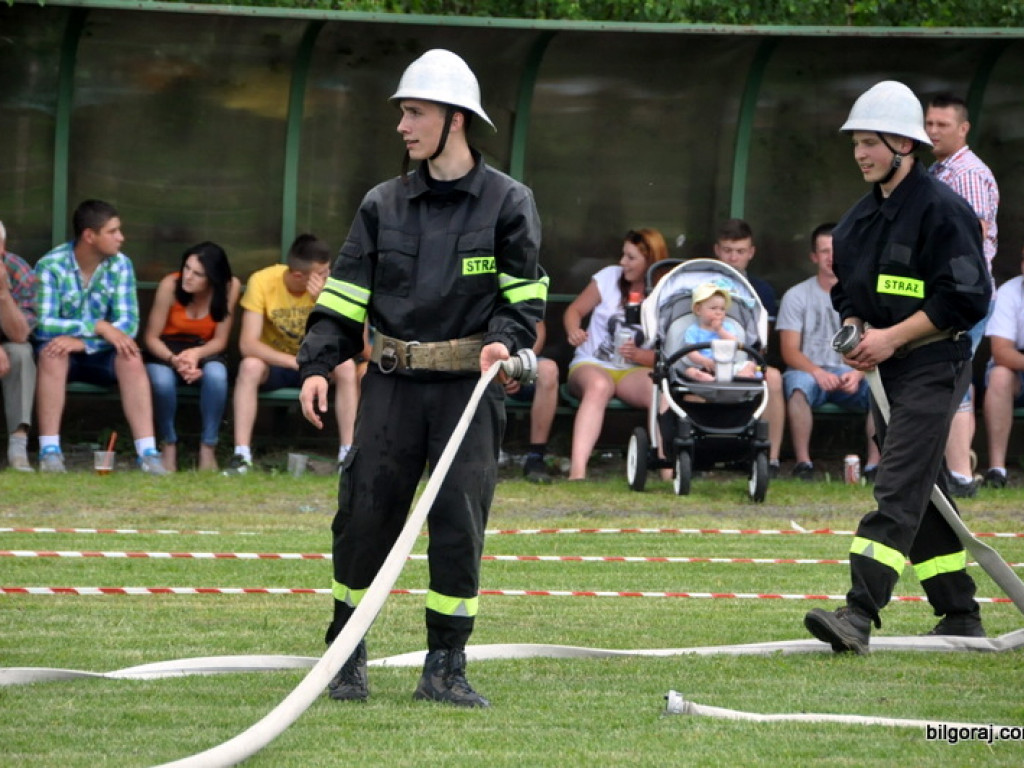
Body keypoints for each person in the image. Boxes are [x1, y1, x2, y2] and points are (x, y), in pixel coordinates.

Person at [297, 49, 544, 707]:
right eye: (403, 113)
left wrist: (504, 341)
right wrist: (318, 364)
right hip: (391, 386)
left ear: (455, 119)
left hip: (468, 391)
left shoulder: (509, 202)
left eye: (415, 113)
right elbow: (345, 297)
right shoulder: (382, 204)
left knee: (459, 525)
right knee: (363, 518)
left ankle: (445, 667)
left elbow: (524, 301)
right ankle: (345, 657)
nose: (403, 126)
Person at [803, 81, 991, 654]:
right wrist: (856, 329)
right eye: (856, 143)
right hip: (887, 372)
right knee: (925, 493)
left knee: (899, 482)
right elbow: (847, 293)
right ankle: (959, 613)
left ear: (903, 145)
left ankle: (858, 613)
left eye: (869, 143)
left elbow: (966, 300)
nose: (860, 154)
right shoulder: (857, 222)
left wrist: (890, 338)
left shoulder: (945, 212)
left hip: (935, 363)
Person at [33, 199, 168, 475]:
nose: (121, 238)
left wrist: (85, 341)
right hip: (63, 355)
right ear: (89, 236)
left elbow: (128, 324)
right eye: (113, 231)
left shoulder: (121, 265)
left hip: (102, 353)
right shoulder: (50, 265)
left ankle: (148, 453)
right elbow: (42, 324)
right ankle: (50, 451)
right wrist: (97, 326)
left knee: (131, 355)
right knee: (52, 353)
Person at [223, 234, 358, 475]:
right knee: (249, 366)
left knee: (347, 366)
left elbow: (345, 338)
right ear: (298, 275)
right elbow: (248, 344)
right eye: (322, 273)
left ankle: (347, 455)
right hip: (278, 364)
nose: (328, 277)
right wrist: (295, 362)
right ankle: (241, 455)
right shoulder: (263, 281)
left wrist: (323, 301)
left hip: (318, 366)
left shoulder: (330, 287)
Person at [925, 93, 1000, 498]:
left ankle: (960, 476)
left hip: (962, 295)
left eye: (942, 124)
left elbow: (970, 237)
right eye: (929, 124)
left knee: (952, 378)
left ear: (963, 128)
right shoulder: (938, 170)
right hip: (950, 293)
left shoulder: (967, 173)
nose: (933, 131)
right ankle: (955, 472)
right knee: (951, 376)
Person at [776, 223, 880, 482]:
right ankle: (804, 464)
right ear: (814, 256)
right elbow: (789, 351)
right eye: (824, 251)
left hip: (854, 371)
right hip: (810, 372)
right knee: (798, 387)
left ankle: (875, 466)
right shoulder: (796, 295)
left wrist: (858, 373)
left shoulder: (864, 295)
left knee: (880, 388)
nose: (831, 257)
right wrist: (817, 372)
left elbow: (877, 341)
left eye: (836, 250)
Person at [563, 228, 666, 481]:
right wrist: (574, 330)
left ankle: (668, 470)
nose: (623, 262)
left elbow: (668, 355)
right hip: (592, 363)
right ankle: (577, 473)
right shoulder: (609, 277)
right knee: (599, 386)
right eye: (623, 255)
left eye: (631, 258)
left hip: (633, 370)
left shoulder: (666, 292)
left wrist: (640, 355)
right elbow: (574, 311)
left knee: (658, 391)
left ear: (650, 260)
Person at [143, 242, 241, 472]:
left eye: (198, 274)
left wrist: (196, 355)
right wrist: (175, 360)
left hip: (205, 348)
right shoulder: (170, 285)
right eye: (186, 268)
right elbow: (151, 338)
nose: (188, 277)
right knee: (162, 381)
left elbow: (220, 340)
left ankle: (208, 448)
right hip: (166, 349)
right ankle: (168, 444)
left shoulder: (229, 287)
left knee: (217, 376)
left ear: (213, 278)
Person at [713, 219, 786, 475]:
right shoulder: (700, 285)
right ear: (717, 250)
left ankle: (770, 458)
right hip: (703, 357)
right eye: (727, 250)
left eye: (740, 251)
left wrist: (750, 362)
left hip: (746, 359)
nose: (733, 258)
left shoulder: (762, 291)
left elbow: (763, 342)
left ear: (751, 253)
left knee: (773, 378)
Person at [980, 245, 1024, 489]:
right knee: (999, 376)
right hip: (1019, 368)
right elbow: (1001, 352)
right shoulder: (1009, 291)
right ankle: (997, 470)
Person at [0, 220, 37, 472]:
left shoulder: (18, 270)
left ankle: (18, 445)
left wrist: (3, 293)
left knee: (22, 354)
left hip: (9, 343)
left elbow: (21, 334)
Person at [504, 319, 559, 483]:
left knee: (548, 370)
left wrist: (519, 367)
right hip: (484, 361)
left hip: (523, 363)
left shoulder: (527, 301)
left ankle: (536, 457)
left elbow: (538, 330)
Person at [680, 282, 758, 381]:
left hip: (728, 366)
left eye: (722, 309)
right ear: (698, 309)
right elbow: (690, 352)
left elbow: (736, 343)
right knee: (690, 371)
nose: (718, 312)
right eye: (713, 308)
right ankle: (709, 379)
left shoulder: (728, 327)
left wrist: (720, 330)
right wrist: (704, 361)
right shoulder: (693, 330)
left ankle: (740, 376)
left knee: (750, 364)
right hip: (704, 367)